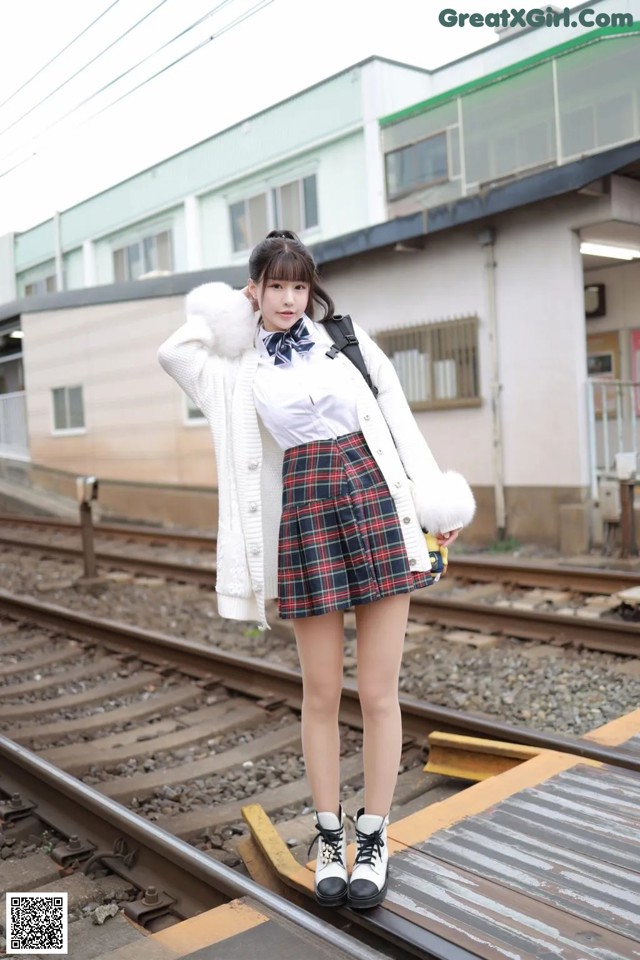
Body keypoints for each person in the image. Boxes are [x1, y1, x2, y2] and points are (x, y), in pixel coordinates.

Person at [158, 229, 475, 910]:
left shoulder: (347, 343)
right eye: (275, 285)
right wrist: (231, 315)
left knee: (380, 690)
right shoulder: (240, 369)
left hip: (374, 505)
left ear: (311, 289)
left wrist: (432, 501)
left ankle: (375, 834)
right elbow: (175, 351)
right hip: (302, 520)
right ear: (257, 290)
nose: (288, 298)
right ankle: (329, 834)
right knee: (323, 693)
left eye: (298, 285)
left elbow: (399, 420)